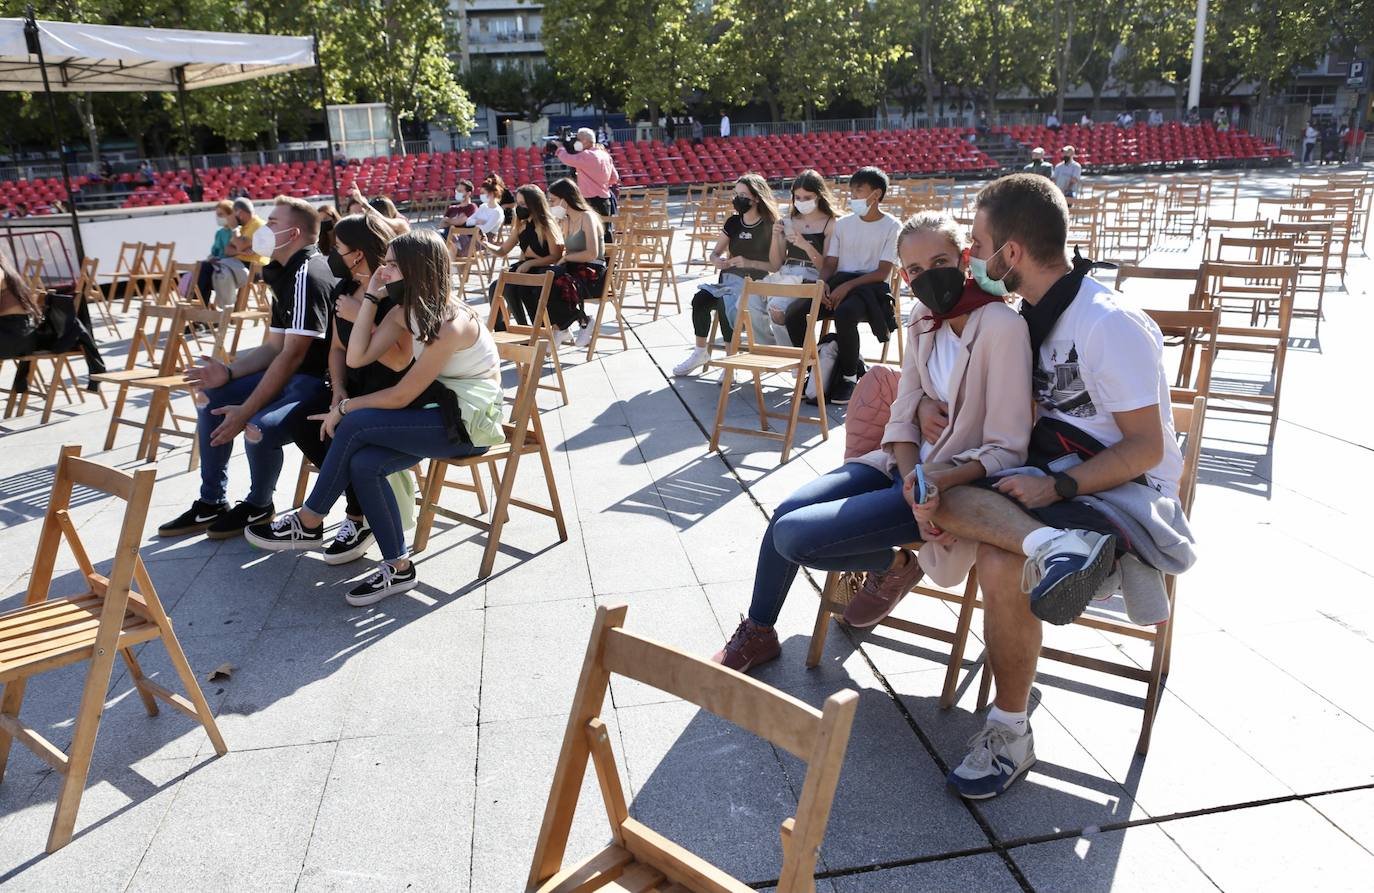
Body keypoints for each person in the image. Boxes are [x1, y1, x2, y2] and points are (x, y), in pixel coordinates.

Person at [914, 174, 1193, 799]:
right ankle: (1054, 553)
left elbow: (1147, 449)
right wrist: (935, 414)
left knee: (995, 556)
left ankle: (1009, 731)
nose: (971, 261)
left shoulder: (1106, 322)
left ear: (1009, 254)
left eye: (979, 244)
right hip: (1046, 476)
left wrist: (1058, 489)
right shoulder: (1025, 317)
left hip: (1120, 490)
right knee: (938, 492)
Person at [709, 211, 1032, 672]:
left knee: (794, 535)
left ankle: (892, 562)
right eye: (915, 270)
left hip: (946, 486)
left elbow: (1008, 448)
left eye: (940, 261)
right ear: (904, 276)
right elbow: (903, 409)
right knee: (783, 512)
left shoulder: (1000, 327)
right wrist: (905, 466)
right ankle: (761, 630)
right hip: (898, 465)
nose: (928, 277)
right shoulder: (923, 315)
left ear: (963, 258)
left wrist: (923, 480)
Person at [247, 229, 505, 605]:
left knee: (354, 423)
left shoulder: (452, 322)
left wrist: (345, 407)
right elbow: (356, 357)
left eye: (392, 266)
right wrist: (370, 297)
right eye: (383, 264)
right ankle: (399, 567)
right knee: (365, 463)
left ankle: (309, 520)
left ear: (417, 270)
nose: (383, 271)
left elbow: (403, 394)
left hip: (470, 424)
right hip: (438, 414)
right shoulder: (404, 311)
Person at [158, 196, 336, 540]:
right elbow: (273, 347)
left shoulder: (307, 273)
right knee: (211, 394)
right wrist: (227, 373)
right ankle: (211, 501)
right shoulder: (286, 271)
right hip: (292, 374)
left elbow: (292, 357)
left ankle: (258, 503)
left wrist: (245, 411)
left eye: (272, 223)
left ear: (294, 233)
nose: (263, 229)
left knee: (255, 425)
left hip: (315, 382)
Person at [288, 211, 410, 564]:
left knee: (346, 429)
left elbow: (397, 360)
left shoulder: (393, 293)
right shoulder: (343, 290)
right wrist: (338, 388)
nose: (330, 253)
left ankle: (356, 518)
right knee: (305, 422)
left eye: (336, 247)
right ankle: (355, 514)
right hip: (351, 389)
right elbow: (338, 349)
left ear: (357, 253)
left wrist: (363, 317)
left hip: (387, 390)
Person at [782, 166, 902, 404]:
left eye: (858, 191)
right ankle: (815, 370)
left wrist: (846, 288)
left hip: (871, 289)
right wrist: (822, 284)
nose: (852, 197)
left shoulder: (892, 226)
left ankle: (848, 378)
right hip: (839, 283)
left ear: (875, 195)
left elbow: (882, 272)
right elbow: (831, 263)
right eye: (851, 191)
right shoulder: (844, 224)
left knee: (845, 314)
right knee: (794, 313)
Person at [672, 173, 783, 376]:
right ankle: (700, 352)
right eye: (736, 193)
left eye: (743, 195)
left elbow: (776, 266)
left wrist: (748, 262)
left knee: (725, 302)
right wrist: (717, 261)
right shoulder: (733, 222)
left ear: (757, 197)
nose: (737, 199)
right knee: (700, 300)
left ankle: (731, 362)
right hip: (729, 279)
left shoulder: (770, 225)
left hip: (755, 283)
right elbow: (715, 253)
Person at [765, 169, 838, 346]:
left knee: (777, 309)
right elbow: (775, 264)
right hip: (787, 272)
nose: (801, 202)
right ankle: (788, 357)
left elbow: (827, 267)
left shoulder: (831, 223)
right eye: (797, 197)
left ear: (818, 196)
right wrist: (775, 237)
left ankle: (796, 359)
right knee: (750, 304)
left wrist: (805, 245)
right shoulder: (788, 220)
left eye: (807, 198)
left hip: (812, 275)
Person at [480, 184, 568, 333]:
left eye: (522, 204)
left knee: (511, 288)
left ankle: (524, 329)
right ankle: (501, 329)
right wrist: (485, 243)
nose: (518, 207)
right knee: (495, 287)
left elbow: (556, 256)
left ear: (533, 204)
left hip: (542, 269)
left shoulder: (546, 224)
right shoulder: (521, 225)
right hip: (525, 268)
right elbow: (502, 251)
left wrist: (532, 263)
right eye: (518, 203)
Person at [547, 177, 607, 348]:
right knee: (544, 280)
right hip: (574, 270)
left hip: (592, 273)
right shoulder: (566, 220)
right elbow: (565, 250)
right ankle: (565, 326)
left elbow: (591, 253)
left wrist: (565, 258)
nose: (551, 204)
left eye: (553, 200)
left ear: (565, 199)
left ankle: (575, 323)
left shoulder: (588, 217)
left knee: (556, 282)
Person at [554, 128, 620, 237]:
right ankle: (609, 253)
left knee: (590, 232)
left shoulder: (587, 155)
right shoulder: (605, 155)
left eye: (578, 139)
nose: (576, 142)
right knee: (605, 230)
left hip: (589, 200)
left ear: (585, 141)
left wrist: (561, 148)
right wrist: (601, 184)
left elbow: (567, 159)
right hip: (605, 198)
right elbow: (614, 177)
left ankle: (594, 253)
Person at [215, 197, 270, 303]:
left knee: (218, 269)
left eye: (234, 213)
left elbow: (240, 245)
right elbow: (227, 250)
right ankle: (222, 308)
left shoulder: (258, 225)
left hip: (255, 268)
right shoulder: (244, 227)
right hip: (241, 264)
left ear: (239, 212)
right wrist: (240, 251)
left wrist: (235, 230)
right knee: (213, 268)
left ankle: (227, 308)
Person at [193, 200, 240, 306]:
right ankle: (200, 307)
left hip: (230, 265)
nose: (218, 218)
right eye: (217, 215)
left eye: (220, 214)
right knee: (201, 269)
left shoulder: (237, 231)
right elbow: (214, 251)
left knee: (204, 271)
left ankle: (201, 306)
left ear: (230, 214)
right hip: (218, 264)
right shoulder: (219, 233)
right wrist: (212, 257)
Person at [440, 179, 478, 247]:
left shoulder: (471, 207)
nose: (457, 193)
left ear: (468, 193)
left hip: (463, 241)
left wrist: (448, 220)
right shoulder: (452, 208)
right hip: (449, 237)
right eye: (456, 191)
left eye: (460, 191)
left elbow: (459, 222)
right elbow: (442, 224)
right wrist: (452, 221)